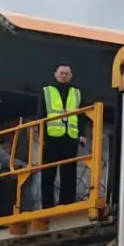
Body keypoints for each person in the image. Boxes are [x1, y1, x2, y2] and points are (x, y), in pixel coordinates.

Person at [39, 64, 83, 209]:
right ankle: (47, 206)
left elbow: (81, 115)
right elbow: (41, 114)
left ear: (71, 76)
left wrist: (81, 134)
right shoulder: (47, 91)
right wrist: (42, 136)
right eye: (61, 73)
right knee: (48, 174)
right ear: (55, 74)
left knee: (69, 173)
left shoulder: (76, 92)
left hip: (70, 137)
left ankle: (67, 203)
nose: (63, 75)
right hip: (52, 137)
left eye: (66, 73)